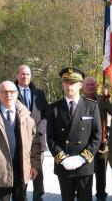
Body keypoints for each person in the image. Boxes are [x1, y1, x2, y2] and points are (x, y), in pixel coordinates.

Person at [47, 67, 101, 201]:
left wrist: (82, 158)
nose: (69, 85)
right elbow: (50, 138)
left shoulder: (91, 106)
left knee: (85, 198)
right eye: (66, 82)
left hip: (84, 165)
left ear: (80, 85)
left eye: (72, 82)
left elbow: (97, 136)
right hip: (64, 164)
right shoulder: (54, 108)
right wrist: (62, 159)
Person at [15, 65, 48, 201]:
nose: (25, 77)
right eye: (22, 74)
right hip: (19, 141)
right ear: (17, 75)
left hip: (38, 139)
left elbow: (46, 114)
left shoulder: (39, 93)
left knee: (38, 173)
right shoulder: (10, 92)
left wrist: (39, 130)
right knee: (20, 174)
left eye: (28, 74)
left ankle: (38, 198)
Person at [83, 76, 112, 201]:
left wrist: (107, 97)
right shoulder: (79, 101)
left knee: (101, 172)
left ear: (96, 86)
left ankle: (101, 195)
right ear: (83, 87)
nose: (90, 87)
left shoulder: (102, 99)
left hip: (101, 144)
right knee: (84, 171)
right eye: (88, 85)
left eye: (93, 84)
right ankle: (83, 194)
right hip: (84, 143)